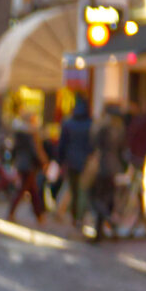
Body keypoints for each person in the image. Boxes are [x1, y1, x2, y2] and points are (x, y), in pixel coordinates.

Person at [85, 103, 127, 241]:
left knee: (96, 198)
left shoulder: (102, 127)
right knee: (109, 199)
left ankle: (103, 228)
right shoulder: (120, 128)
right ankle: (107, 229)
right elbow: (122, 149)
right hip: (114, 166)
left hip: (102, 166)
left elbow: (93, 144)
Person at [57, 97, 93, 229]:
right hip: (85, 161)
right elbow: (92, 143)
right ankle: (79, 217)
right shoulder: (90, 123)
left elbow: (62, 144)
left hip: (71, 160)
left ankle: (74, 217)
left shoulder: (68, 123)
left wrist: (60, 160)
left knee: (73, 189)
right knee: (82, 190)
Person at [3, 114, 45, 224]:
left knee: (32, 190)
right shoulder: (30, 134)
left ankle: (39, 215)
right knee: (24, 190)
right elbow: (34, 151)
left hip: (21, 164)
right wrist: (41, 163)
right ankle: (13, 213)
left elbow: (14, 149)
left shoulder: (19, 134)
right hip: (29, 165)